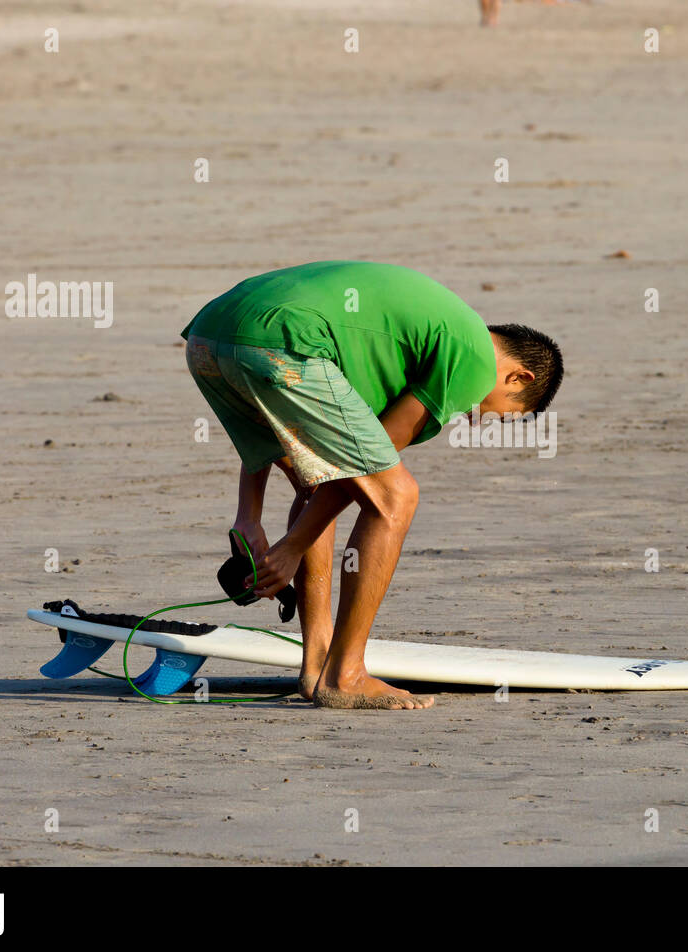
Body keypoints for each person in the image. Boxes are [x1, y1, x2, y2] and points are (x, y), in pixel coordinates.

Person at [182, 262, 564, 710]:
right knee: (396, 496)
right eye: (502, 414)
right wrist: (290, 547)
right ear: (520, 378)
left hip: (212, 337)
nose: (478, 418)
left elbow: (324, 470)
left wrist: (248, 516)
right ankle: (346, 675)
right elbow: (378, 459)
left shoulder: (401, 337)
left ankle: (316, 666)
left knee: (315, 483)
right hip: (285, 343)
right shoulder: (475, 359)